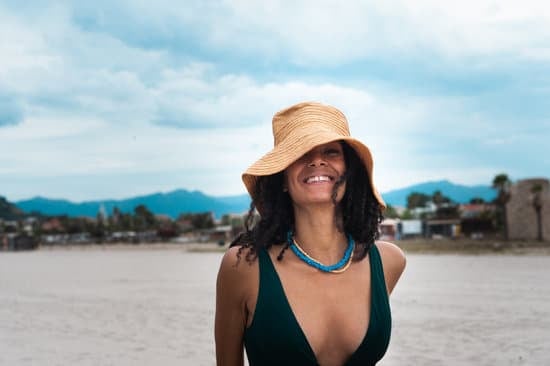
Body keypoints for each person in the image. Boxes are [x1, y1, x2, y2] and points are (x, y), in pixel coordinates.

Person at [215, 101, 406, 366]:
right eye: (301, 153)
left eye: (331, 151)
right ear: (281, 177)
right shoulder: (243, 268)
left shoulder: (388, 262)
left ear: (349, 172)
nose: (317, 160)